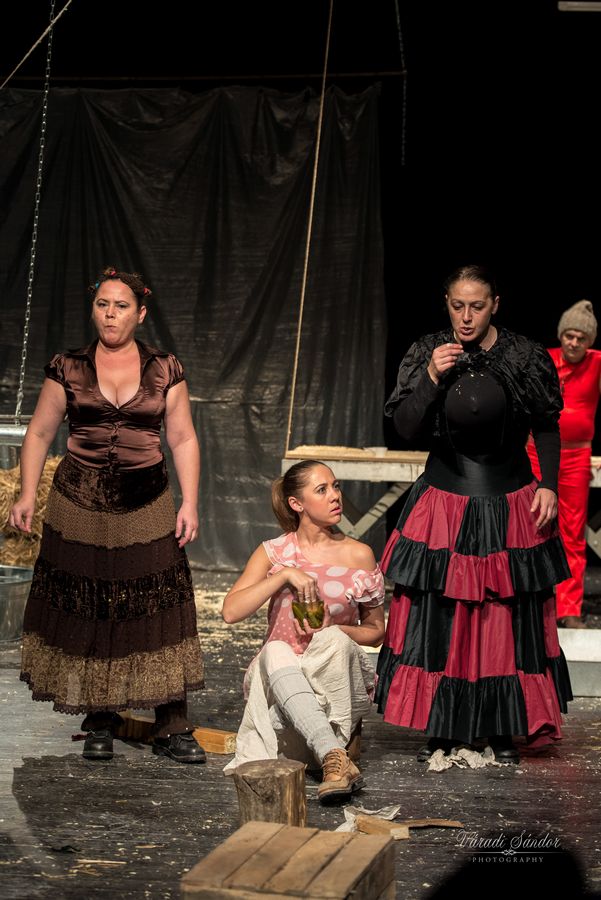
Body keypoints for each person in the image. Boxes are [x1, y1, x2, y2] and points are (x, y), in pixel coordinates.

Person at [375, 264, 573, 765]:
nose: (466, 317)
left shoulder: (523, 355)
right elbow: (403, 428)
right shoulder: (428, 351)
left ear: (495, 305)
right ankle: (443, 725)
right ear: (446, 303)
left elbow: (546, 425)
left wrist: (549, 484)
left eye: (477, 307)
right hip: (445, 501)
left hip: (509, 502)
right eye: (457, 305)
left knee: (501, 621)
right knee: (443, 617)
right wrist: (430, 377)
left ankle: (501, 726)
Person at [10, 266, 205, 764]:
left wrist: (190, 501)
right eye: (102, 304)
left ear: (140, 314)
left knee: (158, 604)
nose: (110, 314)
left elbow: (182, 436)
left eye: (121, 306)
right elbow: (39, 432)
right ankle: (100, 716)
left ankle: (171, 722)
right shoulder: (68, 367)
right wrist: (26, 493)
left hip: (147, 499)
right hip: (80, 501)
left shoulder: (164, 368)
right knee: (94, 603)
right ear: (93, 310)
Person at [221, 459, 385, 803]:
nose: (335, 496)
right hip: (284, 696)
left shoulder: (359, 555)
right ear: (297, 503)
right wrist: (282, 574)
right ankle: (332, 756)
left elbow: (376, 631)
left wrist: (334, 628)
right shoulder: (275, 553)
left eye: (336, 486)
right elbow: (231, 612)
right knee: (274, 650)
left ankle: (330, 750)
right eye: (322, 490)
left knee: (333, 639)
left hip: (334, 693)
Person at [527, 300, 601, 629]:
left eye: (581, 338)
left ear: (590, 341)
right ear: (561, 335)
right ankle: (530, 601)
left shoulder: (597, 363)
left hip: (576, 457)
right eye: (569, 336)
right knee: (531, 525)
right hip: (537, 452)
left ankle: (568, 609)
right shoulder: (544, 358)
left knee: (572, 532)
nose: (574, 342)